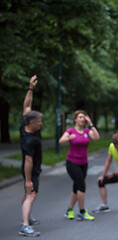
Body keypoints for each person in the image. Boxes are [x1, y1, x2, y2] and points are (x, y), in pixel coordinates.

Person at [59, 110, 100, 221]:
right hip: (72, 163)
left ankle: (69, 210)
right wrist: (68, 138)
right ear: (75, 119)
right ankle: (82, 212)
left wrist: (91, 123)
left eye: (84, 117)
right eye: (80, 117)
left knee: (76, 187)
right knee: (81, 185)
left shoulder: (87, 131)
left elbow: (97, 137)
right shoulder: (71, 131)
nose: (82, 119)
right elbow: (61, 141)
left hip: (84, 163)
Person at [19, 75, 42, 237]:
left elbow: (27, 106)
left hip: (32, 170)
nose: (41, 123)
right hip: (31, 171)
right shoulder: (30, 140)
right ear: (32, 123)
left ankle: (25, 219)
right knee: (31, 194)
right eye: (39, 121)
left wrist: (30, 88)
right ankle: (25, 226)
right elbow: (28, 160)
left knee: (29, 195)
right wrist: (28, 180)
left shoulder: (25, 125)